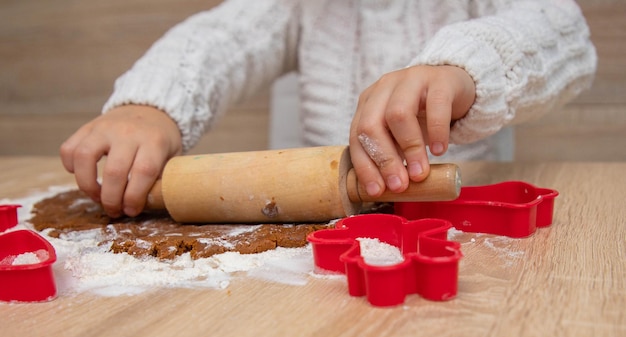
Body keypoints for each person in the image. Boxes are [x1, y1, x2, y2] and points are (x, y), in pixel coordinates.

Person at [60, 0, 597, 218]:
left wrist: (467, 69)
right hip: (319, 224)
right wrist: (152, 105)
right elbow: (222, 39)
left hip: (455, 222)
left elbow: (561, 31)